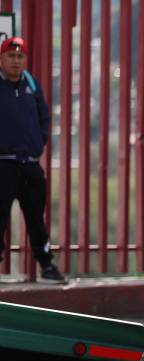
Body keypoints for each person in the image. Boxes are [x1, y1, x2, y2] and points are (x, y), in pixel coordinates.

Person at [0, 36, 66, 282]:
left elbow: (44, 119)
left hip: (29, 165)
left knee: (36, 218)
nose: (16, 61)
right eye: (10, 56)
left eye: (20, 56)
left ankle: (47, 266)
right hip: (3, 164)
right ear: (1, 59)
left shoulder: (31, 84)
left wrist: (38, 143)